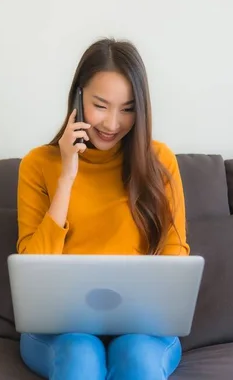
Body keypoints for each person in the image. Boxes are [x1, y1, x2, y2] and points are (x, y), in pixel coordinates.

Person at [15, 38, 190, 380]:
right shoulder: (38, 164)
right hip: (59, 330)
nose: (112, 124)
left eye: (127, 108)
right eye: (101, 105)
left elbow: (174, 254)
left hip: (144, 329)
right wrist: (67, 175)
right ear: (78, 98)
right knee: (81, 356)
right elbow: (32, 268)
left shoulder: (159, 161)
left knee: (137, 357)